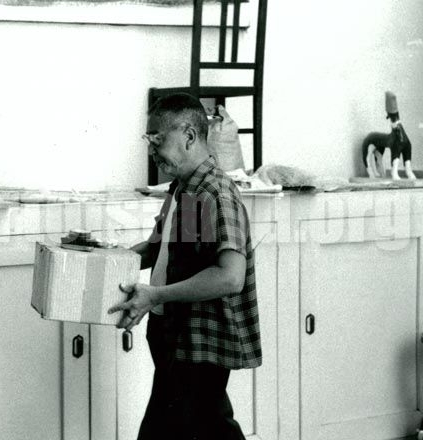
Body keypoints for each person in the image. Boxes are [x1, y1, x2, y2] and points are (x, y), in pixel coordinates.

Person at [108, 93, 261, 440]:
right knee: (192, 428)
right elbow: (160, 249)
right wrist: (109, 263)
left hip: (200, 342)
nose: (152, 150)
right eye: (149, 141)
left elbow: (229, 277)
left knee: (192, 428)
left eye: (158, 140)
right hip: (176, 336)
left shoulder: (214, 193)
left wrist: (155, 295)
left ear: (189, 136)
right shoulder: (186, 188)